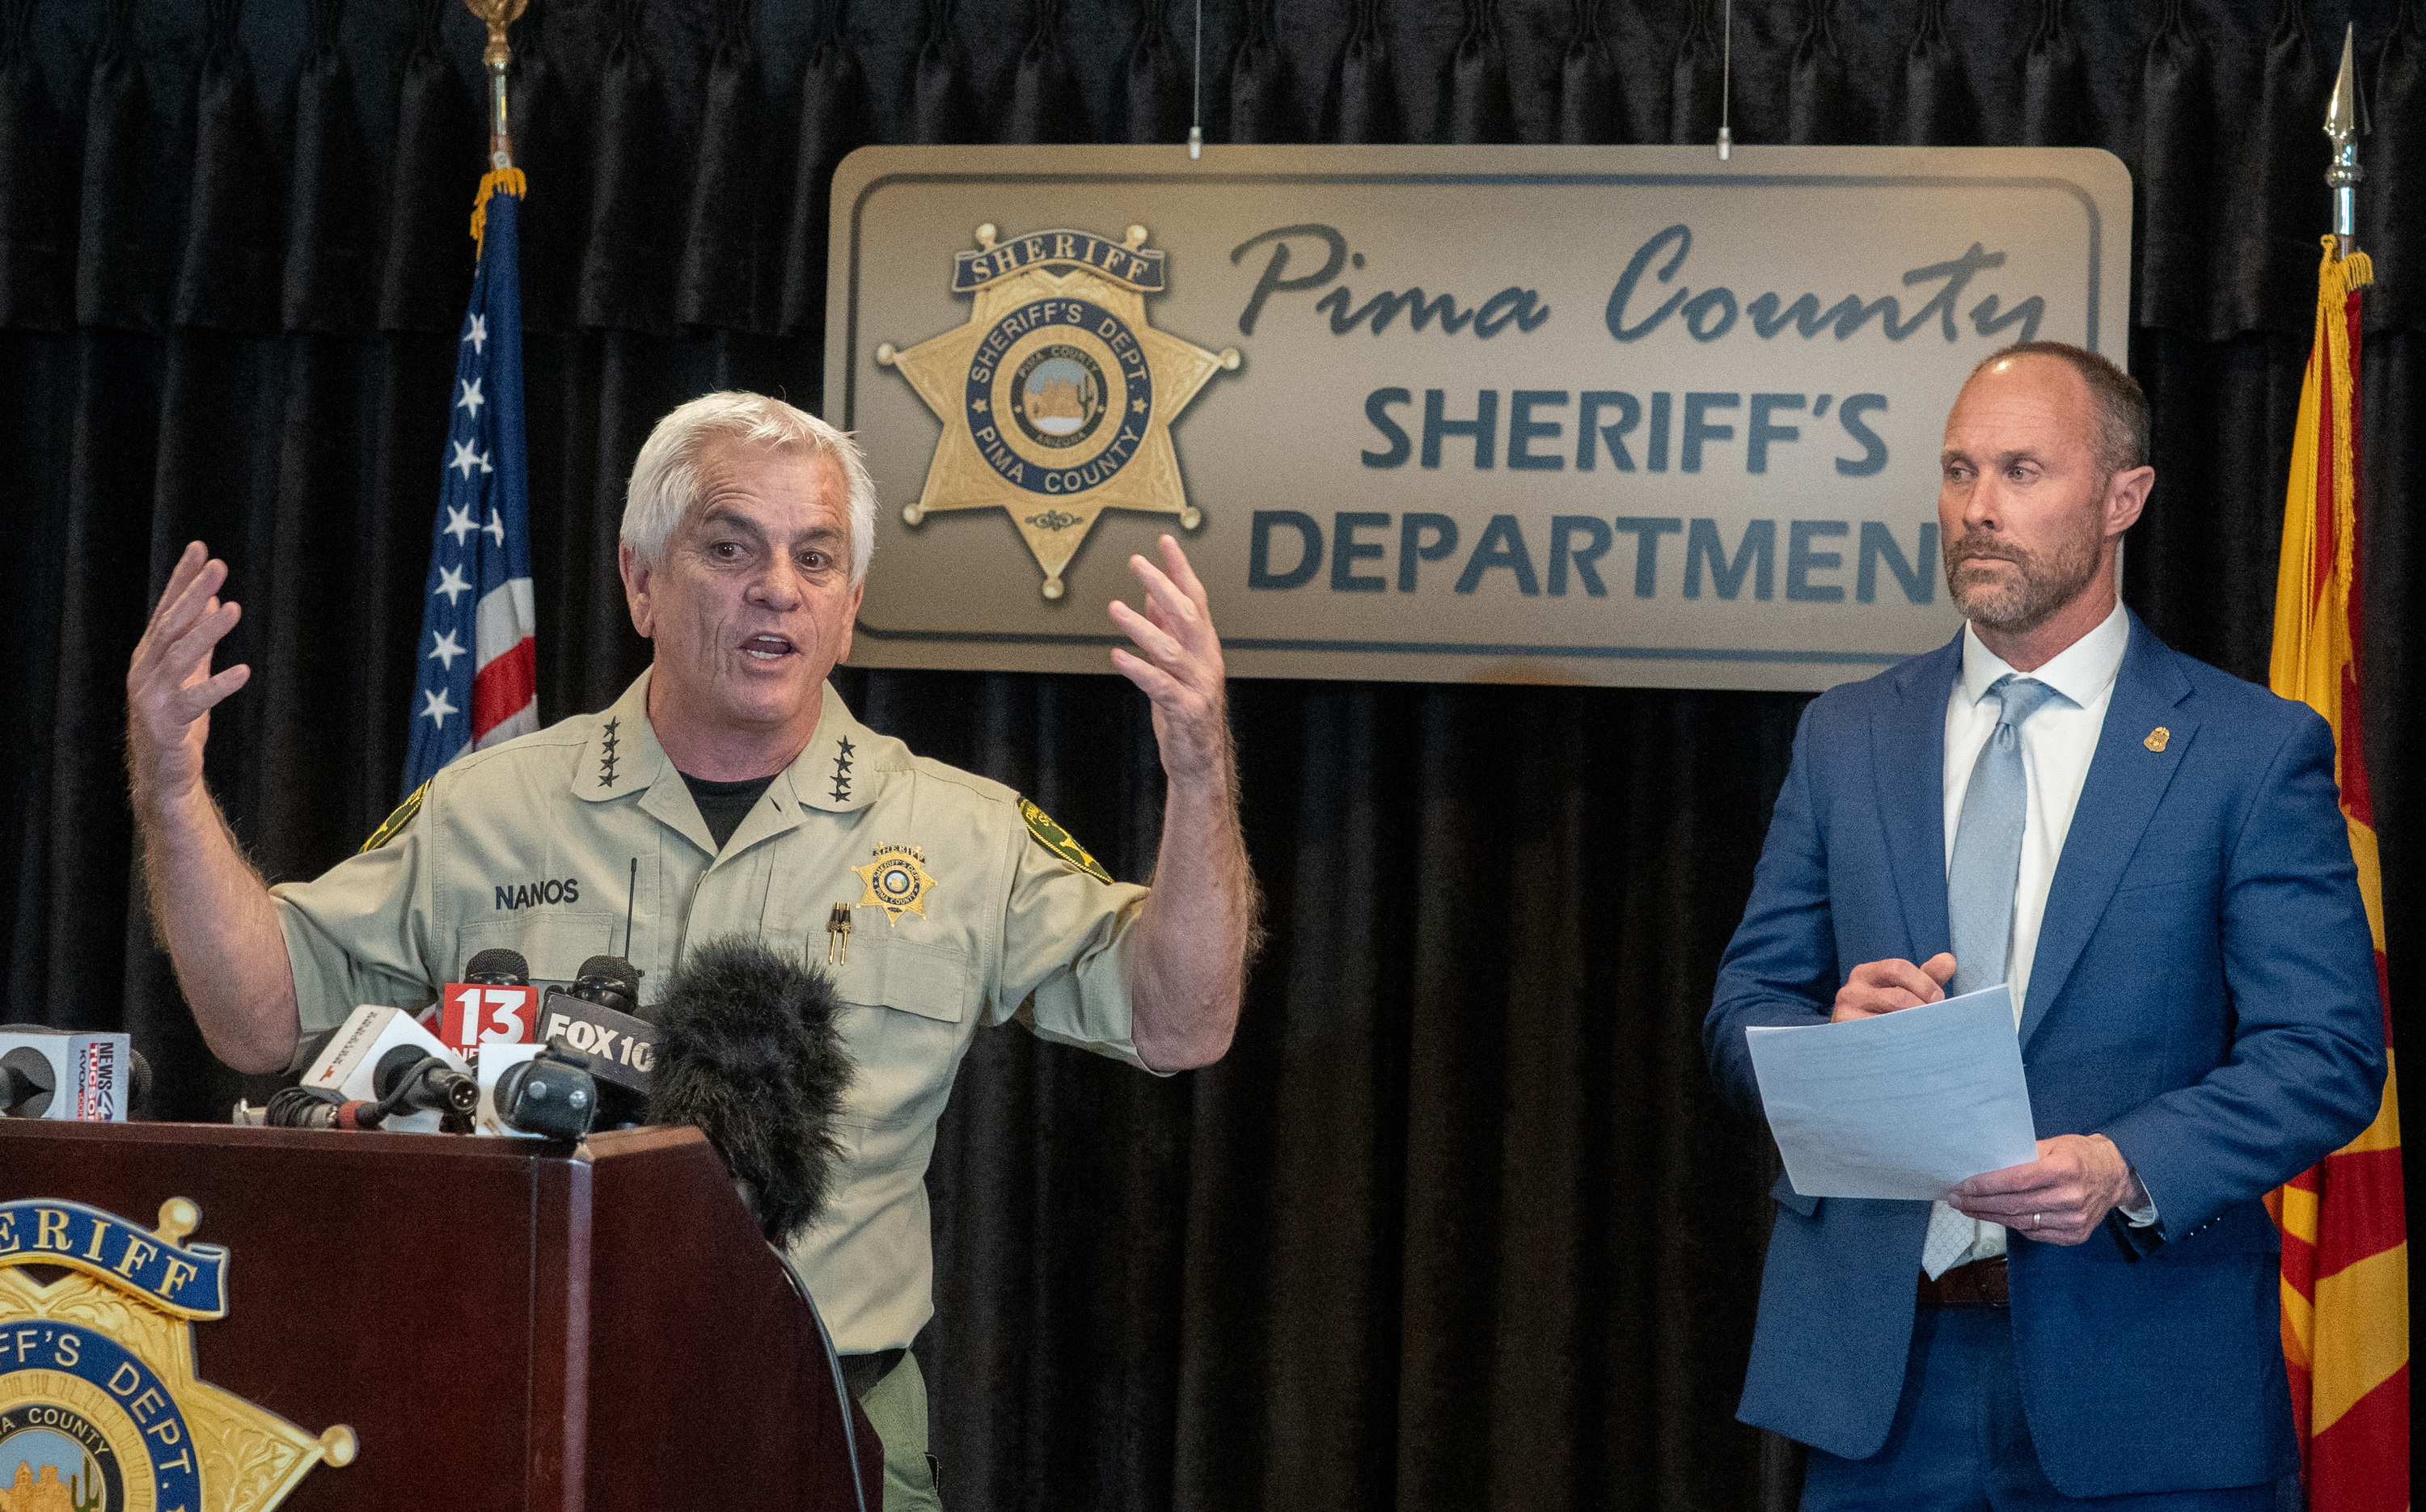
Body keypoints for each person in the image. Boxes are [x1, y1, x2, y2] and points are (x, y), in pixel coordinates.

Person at [125, 391, 1260, 1512]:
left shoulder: (960, 833)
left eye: (817, 559)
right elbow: (260, 1018)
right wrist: (173, 792)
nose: (778, 587)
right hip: (527, 1405)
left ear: (851, 607)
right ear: (640, 582)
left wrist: (1204, 772)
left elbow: (1182, 1017)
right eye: (732, 546)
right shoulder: (491, 807)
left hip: (830, 1418)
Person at [1703, 343, 2384, 1507]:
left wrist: (2128, 1165)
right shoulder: (1848, 735)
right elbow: (1739, 1017)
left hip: (2147, 1388)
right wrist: (1831, 1027)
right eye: (1959, 470)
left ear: (2124, 498)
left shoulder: (2249, 750)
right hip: (1883, 1385)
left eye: (2021, 470)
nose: (1978, 508)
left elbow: (2324, 1055)